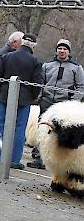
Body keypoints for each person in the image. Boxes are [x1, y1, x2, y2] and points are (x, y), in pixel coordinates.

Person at [27, 39, 84, 169]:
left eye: (64, 49)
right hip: (46, 102)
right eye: (60, 48)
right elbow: (40, 82)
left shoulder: (76, 68)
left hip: (64, 106)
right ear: (57, 50)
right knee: (42, 129)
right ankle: (39, 157)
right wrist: (40, 97)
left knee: (59, 133)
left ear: (68, 51)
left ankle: (58, 160)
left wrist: (73, 102)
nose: (62, 51)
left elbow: (81, 87)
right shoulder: (47, 66)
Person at [0, 33, 43, 170]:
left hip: (5, 96)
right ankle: (14, 159)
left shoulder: (6, 57)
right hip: (24, 100)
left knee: (1, 125)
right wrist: (31, 97)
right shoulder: (35, 62)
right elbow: (37, 84)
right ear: (34, 46)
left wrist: (3, 90)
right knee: (20, 128)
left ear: (21, 42)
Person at [0, 31, 24, 118]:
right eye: (21, 43)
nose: (22, 46)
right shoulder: (3, 54)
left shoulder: (10, 53)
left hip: (2, 93)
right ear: (14, 42)